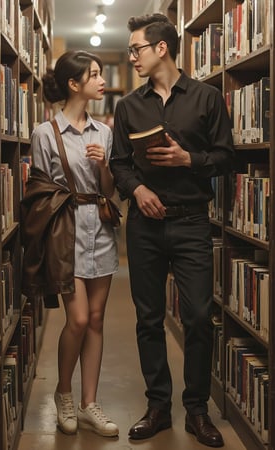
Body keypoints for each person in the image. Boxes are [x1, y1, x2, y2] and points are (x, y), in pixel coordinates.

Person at [110, 13, 235, 447]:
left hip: (191, 221)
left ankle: (196, 410)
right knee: (148, 318)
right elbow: (118, 163)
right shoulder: (128, 105)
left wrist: (189, 161)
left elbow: (226, 156)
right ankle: (158, 406)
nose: (132, 57)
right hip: (144, 225)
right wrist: (138, 189)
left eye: (136, 49)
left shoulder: (207, 98)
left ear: (161, 48)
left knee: (199, 317)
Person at [30, 50, 119, 437]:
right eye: (94, 75)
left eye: (101, 73)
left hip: (100, 231)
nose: (101, 81)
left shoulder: (105, 132)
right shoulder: (44, 133)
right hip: (64, 234)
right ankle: (63, 394)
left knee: (97, 320)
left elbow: (111, 190)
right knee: (78, 318)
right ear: (73, 83)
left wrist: (103, 166)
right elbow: (37, 190)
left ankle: (89, 404)